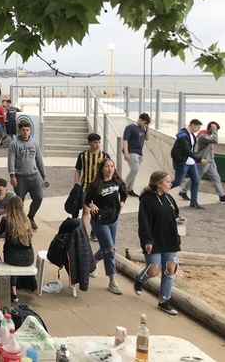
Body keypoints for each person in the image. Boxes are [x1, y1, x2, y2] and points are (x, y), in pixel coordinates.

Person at [134, 171, 185, 316]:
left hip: (170, 239)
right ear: (158, 184)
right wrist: (147, 240)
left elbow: (174, 214)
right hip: (154, 240)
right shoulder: (146, 200)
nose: (170, 184)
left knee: (170, 269)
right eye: (168, 182)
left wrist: (179, 219)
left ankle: (164, 300)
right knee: (153, 270)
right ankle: (139, 277)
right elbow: (144, 222)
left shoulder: (169, 199)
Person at [85, 158, 128, 295]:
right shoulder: (96, 184)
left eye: (112, 166)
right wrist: (92, 205)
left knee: (107, 247)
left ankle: (90, 265)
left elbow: (124, 193)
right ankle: (112, 280)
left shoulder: (118, 182)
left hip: (113, 220)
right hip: (99, 221)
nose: (110, 169)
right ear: (102, 169)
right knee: (110, 249)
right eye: (107, 166)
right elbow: (86, 199)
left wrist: (122, 202)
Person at [179, 122, 225, 204]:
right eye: (215, 129)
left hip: (210, 161)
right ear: (210, 128)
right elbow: (215, 140)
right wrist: (214, 130)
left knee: (216, 178)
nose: (216, 132)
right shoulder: (203, 136)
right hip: (203, 161)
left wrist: (214, 131)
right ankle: (183, 191)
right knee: (195, 177)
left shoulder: (209, 136)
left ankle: (222, 196)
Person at [7, 121, 47, 231]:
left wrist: (44, 175)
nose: (25, 132)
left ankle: (30, 217)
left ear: (30, 130)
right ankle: (19, 222)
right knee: (19, 201)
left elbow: (39, 160)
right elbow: (11, 160)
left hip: (34, 176)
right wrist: (12, 175)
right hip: (20, 177)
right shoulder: (14, 144)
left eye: (27, 130)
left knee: (38, 197)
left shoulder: (35, 143)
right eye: (23, 130)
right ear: (19, 131)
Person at [0, 196, 33, 302]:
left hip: (12, 256)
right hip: (28, 257)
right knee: (16, 255)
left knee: (11, 261)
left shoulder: (6, 220)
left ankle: (13, 291)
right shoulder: (27, 220)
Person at [75, 133, 110, 239]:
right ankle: (84, 233)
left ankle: (95, 231)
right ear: (89, 143)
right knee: (86, 210)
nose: (98, 144)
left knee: (98, 210)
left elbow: (110, 170)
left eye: (99, 142)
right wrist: (76, 184)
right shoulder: (83, 156)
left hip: (101, 187)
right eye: (95, 142)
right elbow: (78, 170)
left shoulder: (105, 156)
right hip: (86, 186)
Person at [170, 119, 209, 209]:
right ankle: (156, 191)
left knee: (196, 180)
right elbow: (186, 150)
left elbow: (190, 149)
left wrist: (195, 159)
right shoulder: (183, 135)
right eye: (198, 127)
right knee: (177, 182)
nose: (198, 130)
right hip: (182, 162)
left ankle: (194, 203)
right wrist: (199, 159)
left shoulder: (191, 135)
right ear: (192, 125)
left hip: (190, 162)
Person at [123, 113, 151, 197]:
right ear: (140, 119)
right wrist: (126, 152)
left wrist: (147, 128)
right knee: (134, 170)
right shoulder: (130, 127)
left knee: (135, 171)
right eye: (144, 123)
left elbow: (147, 138)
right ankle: (123, 187)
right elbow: (125, 140)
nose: (145, 125)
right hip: (131, 151)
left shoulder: (142, 128)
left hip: (139, 152)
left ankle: (130, 188)